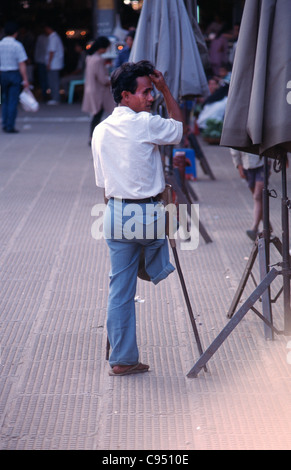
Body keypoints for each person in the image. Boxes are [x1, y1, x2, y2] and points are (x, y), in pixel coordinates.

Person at [91, 60, 184, 376]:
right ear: (126, 95)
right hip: (147, 212)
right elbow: (179, 128)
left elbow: (103, 184)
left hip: (115, 212)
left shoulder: (100, 130)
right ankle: (157, 266)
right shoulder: (146, 123)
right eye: (145, 92)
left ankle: (122, 359)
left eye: (152, 92)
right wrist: (166, 89)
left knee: (120, 290)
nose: (150, 98)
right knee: (170, 236)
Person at [82, 36, 115, 143]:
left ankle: (91, 137)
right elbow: (102, 79)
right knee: (97, 115)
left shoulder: (90, 58)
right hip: (99, 91)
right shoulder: (98, 60)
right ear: (102, 47)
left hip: (91, 89)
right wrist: (113, 79)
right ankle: (92, 137)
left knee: (96, 115)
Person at [231, 149, 268, 241]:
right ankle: (268, 226)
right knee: (257, 198)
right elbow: (234, 148)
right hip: (246, 164)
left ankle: (254, 228)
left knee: (257, 196)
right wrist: (238, 165)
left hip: (263, 162)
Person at [0, 21, 29, 133]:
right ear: (16, 33)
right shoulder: (17, 45)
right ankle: (10, 125)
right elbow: (22, 63)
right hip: (14, 73)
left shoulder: (0, 45)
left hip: (3, 74)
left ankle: (5, 123)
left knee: (4, 100)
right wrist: (25, 79)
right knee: (13, 101)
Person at [44, 23, 64, 105]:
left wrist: (48, 63)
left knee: (53, 81)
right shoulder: (54, 37)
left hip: (53, 63)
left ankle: (55, 98)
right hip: (55, 63)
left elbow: (52, 51)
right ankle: (55, 97)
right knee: (53, 80)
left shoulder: (53, 38)